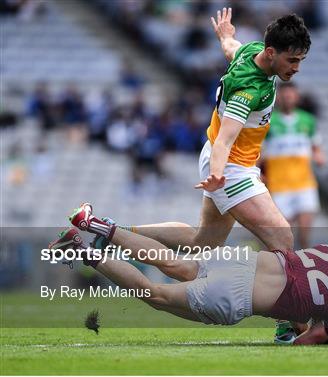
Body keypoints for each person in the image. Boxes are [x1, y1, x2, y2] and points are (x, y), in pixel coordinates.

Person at [68, 8, 311, 342]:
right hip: (230, 169)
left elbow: (231, 48)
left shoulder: (252, 52)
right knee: (282, 239)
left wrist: (225, 34)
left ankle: (121, 234)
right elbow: (227, 138)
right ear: (272, 53)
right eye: (293, 60)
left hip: (224, 159)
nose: (296, 68)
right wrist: (216, 176)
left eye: (299, 60)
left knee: (204, 241)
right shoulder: (249, 91)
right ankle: (287, 321)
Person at [49, 224, 328, 345]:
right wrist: (303, 333)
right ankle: (82, 250)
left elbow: (303, 281)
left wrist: (299, 318)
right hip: (240, 296)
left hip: (244, 261)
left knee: (175, 264)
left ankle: (102, 227)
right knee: (156, 295)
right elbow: (310, 339)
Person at [262, 82, 325, 249]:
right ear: (278, 98)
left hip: (304, 184)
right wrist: (258, 172)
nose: (288, 98)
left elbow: (316, 147)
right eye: (284, 95)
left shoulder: (308, 121)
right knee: (285, 235)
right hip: (279, 185)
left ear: (297, 97)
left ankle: (304, 269)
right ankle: (285, 269)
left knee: (304, 233)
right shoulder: (268, 121)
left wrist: (319, 156)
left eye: (291, 95)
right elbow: (259, 152)